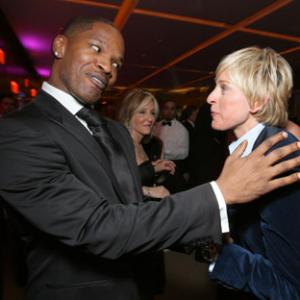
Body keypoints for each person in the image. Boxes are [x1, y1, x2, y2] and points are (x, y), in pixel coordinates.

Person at [0, 16, 300, 300]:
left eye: (117, 62)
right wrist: (219, 196)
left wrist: (209, 248)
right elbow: (96, 226)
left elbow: (131, 208)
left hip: (139, 283)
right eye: (96, 48)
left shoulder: (114, 131)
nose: (107, 66)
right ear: (60, 46)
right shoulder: (18, 132)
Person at [206, 46, 300, 299]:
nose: (210, 97)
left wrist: (221, 256)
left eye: (224, 88)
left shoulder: (278, 156)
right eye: (215, 86)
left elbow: (290, 288)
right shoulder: (248, 150)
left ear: (257, 102)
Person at [118, 88, 176, 298]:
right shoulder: (118, 145)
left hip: (150, 224)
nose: (149, 118)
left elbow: (141, 176)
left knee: (150, 286)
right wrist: (152, 189)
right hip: (130, 227)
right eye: (142, 112)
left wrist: (159, 171)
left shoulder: (145, 145)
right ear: (128, 113)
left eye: (152, 113)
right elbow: (115, 188)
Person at [154, 100, 189, 192]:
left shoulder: (181, 129)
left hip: (172, 170)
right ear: (162, 110)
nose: (169, 111)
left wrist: (164, 152)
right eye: (166, 108)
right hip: (154, 167)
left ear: (175, 111)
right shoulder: (156, 125)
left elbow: (184, 153)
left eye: (172, 109)